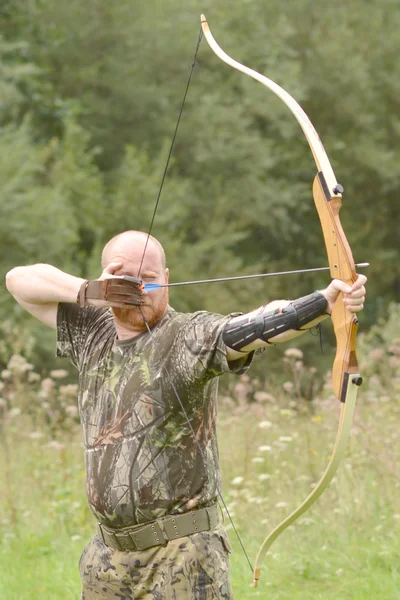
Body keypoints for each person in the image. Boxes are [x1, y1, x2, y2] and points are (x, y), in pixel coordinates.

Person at [5, 230, 367, 600]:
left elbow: (250, 326)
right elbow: (18, 281)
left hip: (182, 556)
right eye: (127, 278)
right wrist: (88, 290)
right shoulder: (92, 333)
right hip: (108, 558)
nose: (139, 288)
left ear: (167, 278)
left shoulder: (187, 336)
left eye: (148, 277)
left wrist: (324, 302)